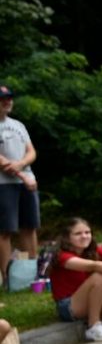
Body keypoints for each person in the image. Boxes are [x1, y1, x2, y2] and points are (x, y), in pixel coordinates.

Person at [0, 84, 40, 288]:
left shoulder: (18, 124)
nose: (7, 102)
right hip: (4, 184)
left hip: (26, 180)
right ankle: (7, 277)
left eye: (9, 98)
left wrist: (23, 166)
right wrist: (22, 175)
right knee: (5, 230)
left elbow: (31, 151)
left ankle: (31, 272)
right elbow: (2, 162)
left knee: (30, 226)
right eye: (2, 99)